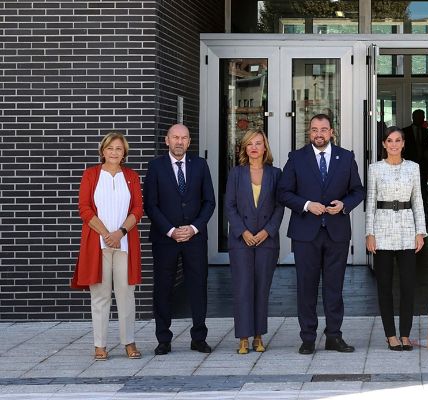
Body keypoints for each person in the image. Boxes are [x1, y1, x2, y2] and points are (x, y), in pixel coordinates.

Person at [277, 113, 365, 354]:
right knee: (306, 287)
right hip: (305, 233)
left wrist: (344, 205)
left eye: (323, 129)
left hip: (337, 232)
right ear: (309, 132)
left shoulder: (346, 157)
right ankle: (307, 338)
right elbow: (283, 192)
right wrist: (306, 205)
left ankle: (334, 336)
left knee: (334, 288)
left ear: (331, 132)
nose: (319, 134)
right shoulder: (296, 158)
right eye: (314, 129)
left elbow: (358, 191)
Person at [144, 124, 216, 355]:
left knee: (198, 287)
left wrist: (193, 228)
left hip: (194, 238)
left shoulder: (200, 165)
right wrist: (170, 230)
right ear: (167, 140)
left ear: (189, 141)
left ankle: (199, 338)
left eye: (184, 138)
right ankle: (163, 339)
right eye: (175, 137)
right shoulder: (155, 166)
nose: (179, 141)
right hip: (165, 239)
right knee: (163, 288)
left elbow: (209, 201)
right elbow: (150, 204)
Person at [72, 132, 144, 361]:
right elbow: (84, 208)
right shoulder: (91, 175)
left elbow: (138, 209)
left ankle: (129, 342)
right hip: (97, 245)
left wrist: (119, 233)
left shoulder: (131, 176)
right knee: (100, 295)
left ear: (124, 154)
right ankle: (100, 344)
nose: (114, 152)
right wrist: (106, 234)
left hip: (124, 244)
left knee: (126, 294)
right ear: (103, 151)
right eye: (110, 148)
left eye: (119, 149)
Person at [365, 127, 427, 351]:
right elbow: (370, 201)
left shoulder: (413, 167)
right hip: (382, 229)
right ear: (384, 144)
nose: (393, 144)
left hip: (407, 229)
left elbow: (418, 200)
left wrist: (420, 231)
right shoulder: (375, 169)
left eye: (397, 140)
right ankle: (390, 335)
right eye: (389, 141)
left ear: (403, 143)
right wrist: (369, 233)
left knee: (408, 285)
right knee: (384, 285)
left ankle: (405, 334)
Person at [225, 130, 284, 355]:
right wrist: (243, 231)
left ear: (265, 147)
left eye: (258, 143)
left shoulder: (276, 174)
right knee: (242, 289)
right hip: (241, 241)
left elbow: (280, 206)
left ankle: (258, 336)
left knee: (261, 289)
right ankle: (243, 337)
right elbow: (229, 205)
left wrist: (268, 231)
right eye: (249, 144)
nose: (254, 148)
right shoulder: (236, 173)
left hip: (266, 240)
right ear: (244, 148)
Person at [402, 109, 428, 220]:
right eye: (418, 117)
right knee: (408, 192)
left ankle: (421, 215)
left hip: (422, 168)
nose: (420, 119)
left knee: (422, 192)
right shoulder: (405, 132)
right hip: (407, 167)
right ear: (413, 117)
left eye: (422, 117)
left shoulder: (426, 132)